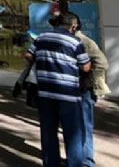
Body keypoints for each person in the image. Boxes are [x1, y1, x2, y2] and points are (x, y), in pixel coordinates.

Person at [24, 13, 92, 167]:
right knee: (72, 133)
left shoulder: (41, 38)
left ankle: (51, 163)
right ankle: (74, 164)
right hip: (68, 94)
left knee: (48, 131)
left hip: (45, 92)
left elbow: (28, 55)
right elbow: (85, 67)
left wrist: (44, 62)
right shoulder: (75, 42)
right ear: (73, 26)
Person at [71, 14, 110, 167]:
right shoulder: (73, 40)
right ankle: (79, 158)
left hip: (84, 90)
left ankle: (87, 161)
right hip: (75, 88)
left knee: (84, 125)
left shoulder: (84, 41)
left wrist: (88, 78)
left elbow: (102, 63)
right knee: (78, 125)